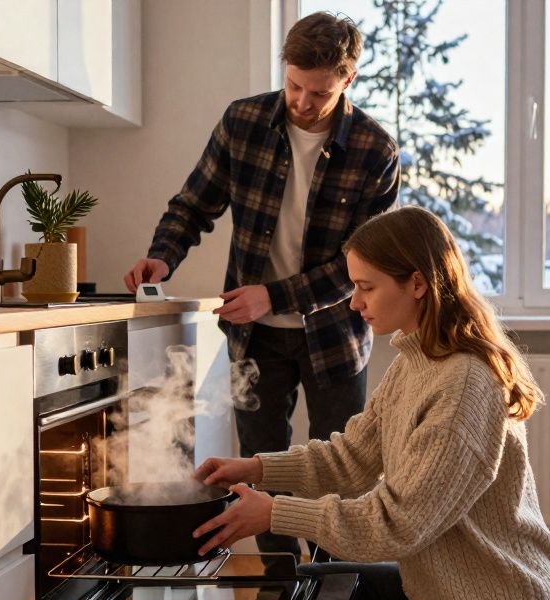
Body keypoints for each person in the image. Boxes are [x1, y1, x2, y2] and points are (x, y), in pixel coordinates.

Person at [191, 207, 550, 600]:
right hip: (450, 592)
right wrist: (255, 466)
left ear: (417, 283)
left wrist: (275, 514)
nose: (354, 302)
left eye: (366, 287)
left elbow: (396, 525)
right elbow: (350, 458)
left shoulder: (463, 386)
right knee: (314, 596)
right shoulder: (417, 360)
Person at [123, 12, 399, 570]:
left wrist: (274, 296)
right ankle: (281, 589)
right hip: (255, 337)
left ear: (348, 79)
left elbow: (360, 265)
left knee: (340, 472)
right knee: (260, 466)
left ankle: (332, 595)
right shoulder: (243, 121)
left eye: (318, 92)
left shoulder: (375, 151)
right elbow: (193, 204)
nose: (301, 101)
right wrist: (163, 255)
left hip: (335, 337)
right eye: (294, 84)